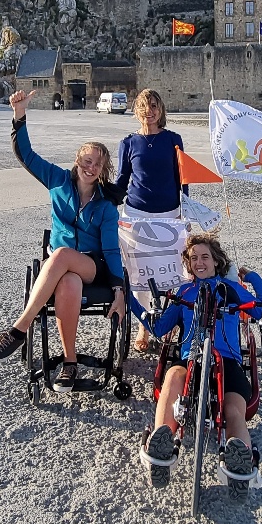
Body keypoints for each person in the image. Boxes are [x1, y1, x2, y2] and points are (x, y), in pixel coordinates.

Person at [0, 89, 125, 393]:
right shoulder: (58, 181)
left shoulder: (105, 205)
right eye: (87, 160)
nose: (91, 168)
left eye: (97, 164)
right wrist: (19, 115)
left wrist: (119, 289)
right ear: (77, 160)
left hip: (92, 265)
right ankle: (70, 363)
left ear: (102, 170)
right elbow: (27, 156)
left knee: (61, 254)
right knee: (68, 283)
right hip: (63, 271)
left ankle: (19, 328)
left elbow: (112, 249)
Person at [141, 233, 262, 502]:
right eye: (194, 258)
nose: (199, 262)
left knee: (233, 409)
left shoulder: (231, 289)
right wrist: (131, 301)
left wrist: (252, 278)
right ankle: (162, 441)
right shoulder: (184, 292)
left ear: (217, 261)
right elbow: (158, 329)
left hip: (226, 361)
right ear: (189, 264)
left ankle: (238, 454)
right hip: (190, 358)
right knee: (173, 375)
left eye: (205, 257)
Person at [115, 89, 187, 352]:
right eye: (144, 106)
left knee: (174, 269)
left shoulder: (173, 140)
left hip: (169, 214)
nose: (150, 111)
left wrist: (186, 211)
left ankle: (175, 319)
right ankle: (143, 326)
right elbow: (122, 180)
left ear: (161, 110)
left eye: (154, 106)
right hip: (136, 214)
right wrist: (102, 199)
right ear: (136, 111)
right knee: (140, 272)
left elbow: (183, 179)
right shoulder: (128, 143)